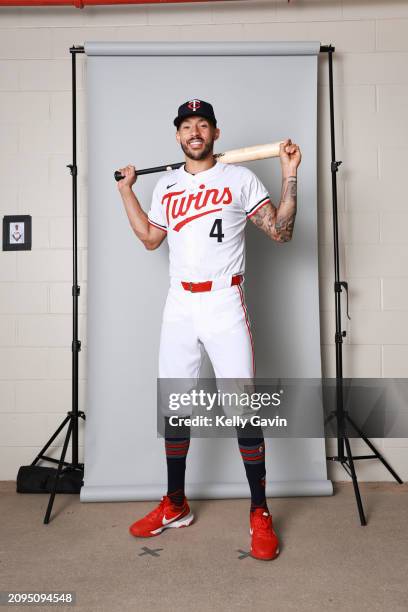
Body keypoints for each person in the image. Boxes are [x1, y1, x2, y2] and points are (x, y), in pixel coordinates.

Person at [117, 99, 301, 560]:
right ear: (178, 136)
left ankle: (259, 511)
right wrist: (127, 191)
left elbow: (281, 232)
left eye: (202, 125)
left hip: (224, 298)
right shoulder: (167, 185)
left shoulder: (240, 178)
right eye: (186, 126)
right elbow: (149, 239)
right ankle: (175, 504)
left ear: (216, 134)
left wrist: (289, 172)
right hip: (179, 302)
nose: (194, 131)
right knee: (175, 403)